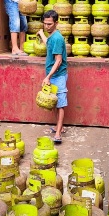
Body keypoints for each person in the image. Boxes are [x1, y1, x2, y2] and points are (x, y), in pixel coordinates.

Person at [37, 10, 68, 143]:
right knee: (55, 102)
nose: (47, 26)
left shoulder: (57, 38)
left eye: (49, 24)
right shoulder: (53, 36)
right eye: (45, 24)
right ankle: (58, 127)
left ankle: (58, 134)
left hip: (58, 76)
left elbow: (58, 60)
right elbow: (48, 44)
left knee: (60, 104)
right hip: (53, 75)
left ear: (56, 23)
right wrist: (41, 34)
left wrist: (48, 77)